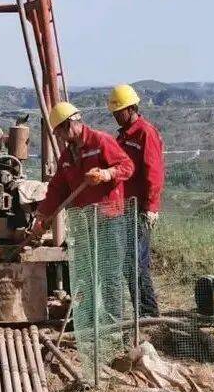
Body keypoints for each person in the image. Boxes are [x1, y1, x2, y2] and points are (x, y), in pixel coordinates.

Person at [28, 103, 135, 350]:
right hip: (84, 222)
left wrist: (106, 174)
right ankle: (89, 324)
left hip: (109, 219)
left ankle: (114, 331)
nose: (59, 137)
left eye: (60, 131)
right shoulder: (68, 156)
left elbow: (127, 167)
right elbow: (57, 189)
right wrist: (42, 218)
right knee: (87, 275)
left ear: (70, 124)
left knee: (109, 276)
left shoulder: (100, 141)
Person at [109, 84, 164, 317]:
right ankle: (143, 314)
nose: (115, 116)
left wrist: (151, 207)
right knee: (130, 264)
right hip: (124, 209)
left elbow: (154, 172)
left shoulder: (145, 133)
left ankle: (148, 314)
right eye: (113, 112)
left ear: (131, 108)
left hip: (139, 210)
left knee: (136, 264)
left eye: (118, 111)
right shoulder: (123, 136)